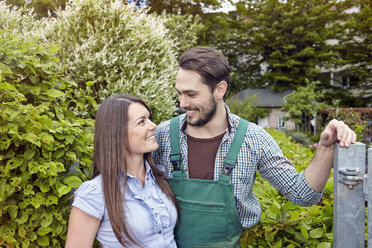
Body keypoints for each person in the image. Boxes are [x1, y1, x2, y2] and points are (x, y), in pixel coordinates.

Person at [153, 47, 356, 248]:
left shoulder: (253, 138)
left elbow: (303, 194)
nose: (182, 103)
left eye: (191, 94)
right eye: (179, 93)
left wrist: (325, 147)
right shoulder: (163, 135)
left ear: (219, 89)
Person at [65, 94, 178, 248]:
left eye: (149, 118)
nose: (153, 125)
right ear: (117, 133)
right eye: (141, 122)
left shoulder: (161, 175)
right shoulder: (95, 193)